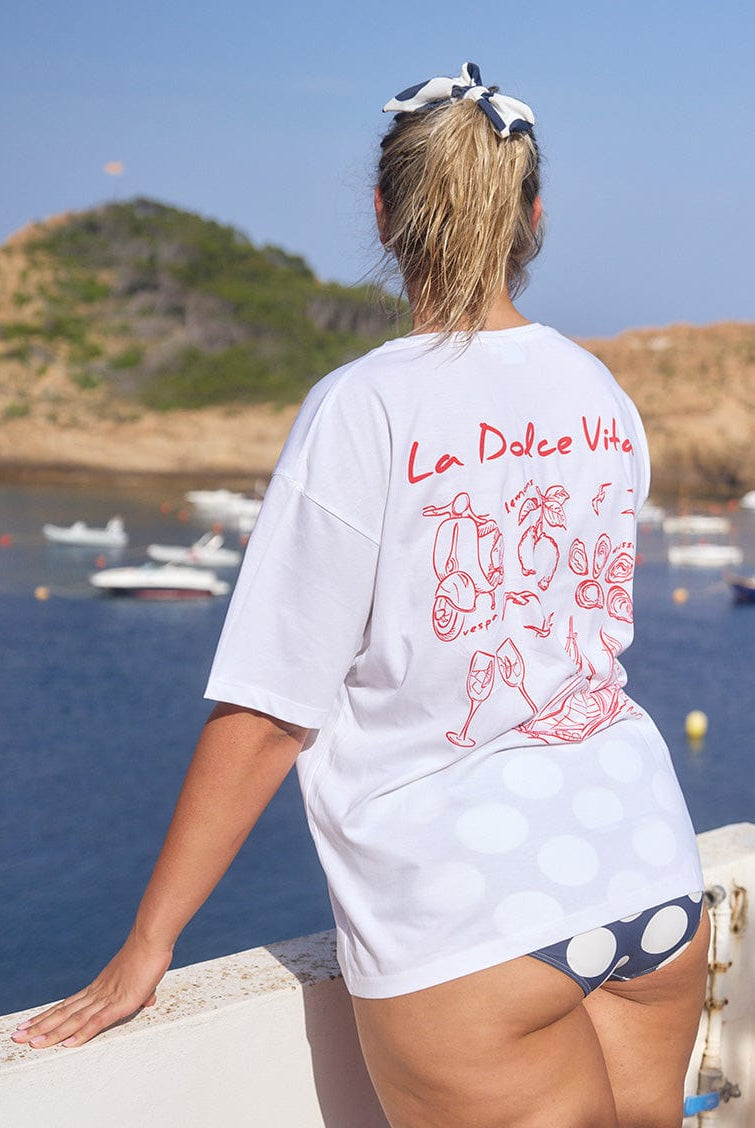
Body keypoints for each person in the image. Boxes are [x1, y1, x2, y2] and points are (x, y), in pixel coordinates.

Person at [12, 63, 708, 1128]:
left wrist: (145, 945)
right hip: (641, 869)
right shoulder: (595, 390)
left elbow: (267, 707)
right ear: (533, 216)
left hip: (469, 912)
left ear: (383, 216)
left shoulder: (363, 407)